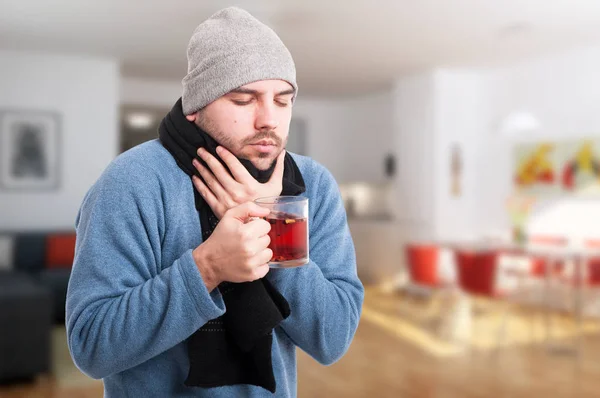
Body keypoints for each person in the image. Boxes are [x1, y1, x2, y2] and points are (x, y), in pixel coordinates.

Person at [66, 6, 364, 397]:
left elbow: (333, 339)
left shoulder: (314, 185)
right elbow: (91, 345)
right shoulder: (131, 182)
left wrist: (273, 225)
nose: (268, 120)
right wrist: (207, 268)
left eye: (283, 99)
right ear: (195, 108)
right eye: (244, 100)